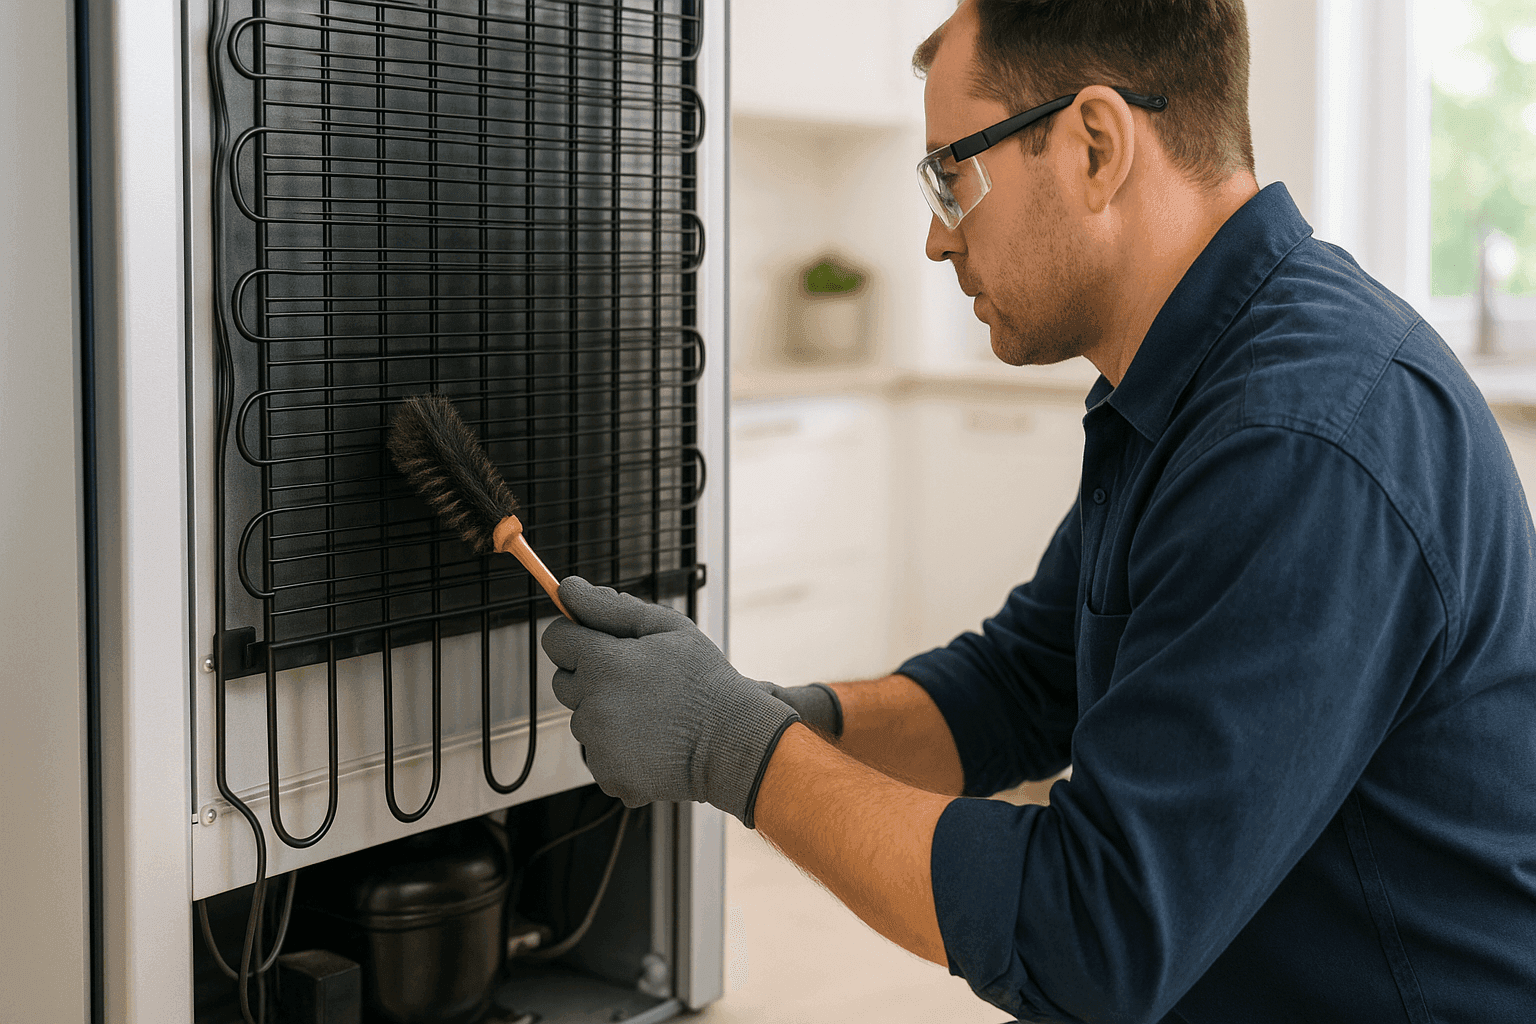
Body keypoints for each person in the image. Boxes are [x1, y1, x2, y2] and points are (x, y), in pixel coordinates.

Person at [540, 1, 1536, 1021]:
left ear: (1095, 145)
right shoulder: (1187, 382)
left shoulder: (1300, 435)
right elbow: (1022, 685)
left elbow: (1091, 933)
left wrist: (732, 746)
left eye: (951, 174)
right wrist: (770, 712)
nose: (935, 237)